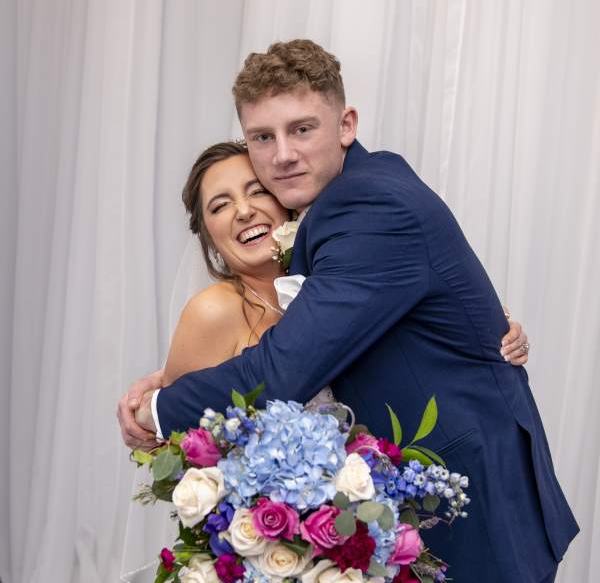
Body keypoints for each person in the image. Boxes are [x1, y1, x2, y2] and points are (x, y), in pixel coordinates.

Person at [118, 40, 577, 582]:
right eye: (263, 137)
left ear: (346, 125)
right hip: (372, 522)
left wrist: (156, 409)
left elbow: (284, 367)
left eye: (302, 129)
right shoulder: (343, 202)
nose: (282, 155)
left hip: (470, 508)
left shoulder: (367, 206)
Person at [159, 140, 528, 392]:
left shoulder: (343, 279)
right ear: (208, 235)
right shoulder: (213, 312)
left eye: (257, 191)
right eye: (220, 205)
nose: (243, 211)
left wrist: (487, 329)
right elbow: (177, 444)